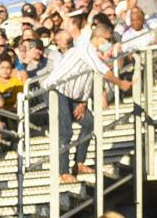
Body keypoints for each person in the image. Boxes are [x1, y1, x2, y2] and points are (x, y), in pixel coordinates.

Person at [42, 13, 133, 183]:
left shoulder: (92, 53)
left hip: (73, 95)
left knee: (90, 123)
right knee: (65, 131)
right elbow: (102, 71)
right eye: (107, 39)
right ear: (98, 38)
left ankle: (79, 162)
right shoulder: (85, 48)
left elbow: (89, 80)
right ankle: (62, 172)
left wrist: (83, 102)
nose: (109, 43)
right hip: (56, 90)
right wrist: (121, 84)